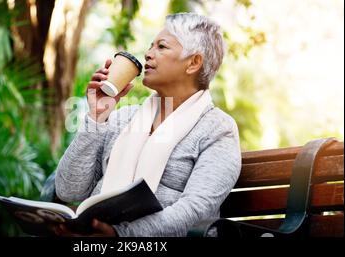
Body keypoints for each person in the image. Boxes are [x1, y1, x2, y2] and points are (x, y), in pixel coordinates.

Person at [54, 12, 241, 237]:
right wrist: (96, 117)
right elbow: (69, 190)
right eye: (151, 46)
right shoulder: (123, 118)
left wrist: (120, 235)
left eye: (161, 47)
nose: (148, 54)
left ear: (193, 63)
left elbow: (195, 211)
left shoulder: (218, 129)